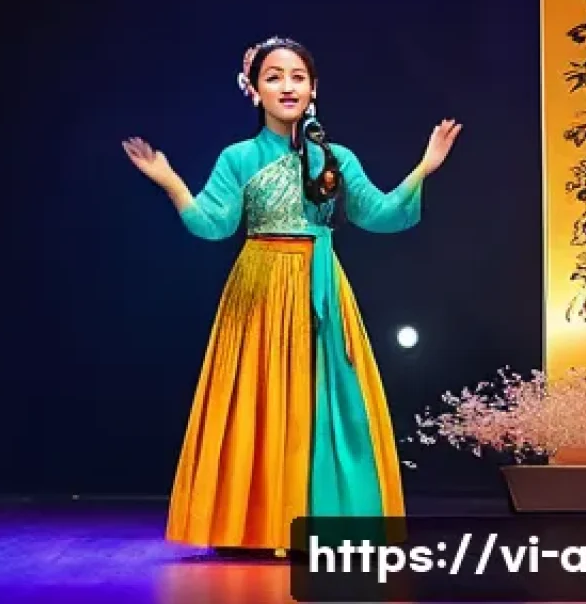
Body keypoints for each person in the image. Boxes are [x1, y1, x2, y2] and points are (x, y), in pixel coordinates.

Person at [123, 36, 460, 552]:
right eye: (274, 76)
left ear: (313, 88)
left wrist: (423, 169)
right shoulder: (238, 157)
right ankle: (257, 524)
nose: (287, 86)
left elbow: (381, 215)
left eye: (297, 76)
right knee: (258, 401)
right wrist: (171, 182)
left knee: (327, 403)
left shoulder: (335, 156)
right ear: (254, 90)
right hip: (259, 287)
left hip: (320, 287)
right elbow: (214, 226)